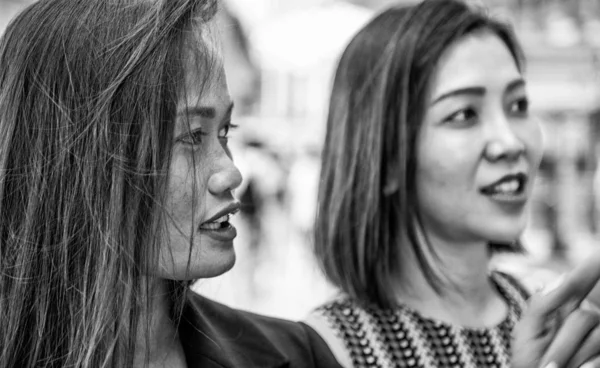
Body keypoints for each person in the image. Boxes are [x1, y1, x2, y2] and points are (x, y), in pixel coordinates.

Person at [0, 1, 342, 367]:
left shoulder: (299, 353)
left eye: (224, 132)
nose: (231, 173)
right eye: (193, 135)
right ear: (81, 156)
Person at [305, 1, 600, 367]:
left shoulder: (547, 318)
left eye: (518, 105)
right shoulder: (326, 347)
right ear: (387, 155)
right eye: (464, 114)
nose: (511, 142)